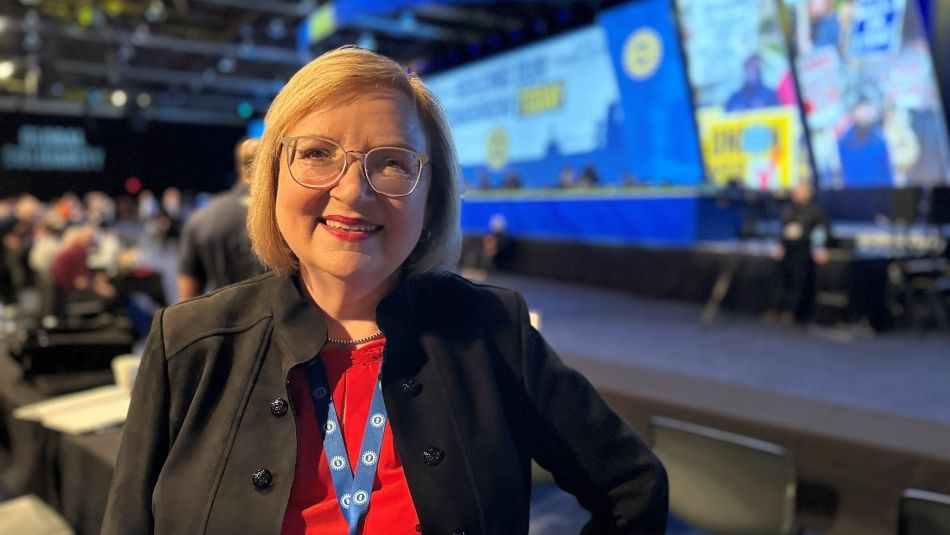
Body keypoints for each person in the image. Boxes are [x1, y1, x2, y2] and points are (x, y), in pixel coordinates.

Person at [102, 46, 667, 534]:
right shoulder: (189, 342)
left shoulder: (492, 332)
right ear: (273, 177)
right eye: (318, 154)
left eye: (392, 164)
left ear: (431, 198)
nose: (352, 191)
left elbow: (633, 489)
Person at [177, 138, 266, 300]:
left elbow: (187, 297)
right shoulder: (288, 217)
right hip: (279, 321)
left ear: (239, 165)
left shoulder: (202, 218)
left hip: (222, 320)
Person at [772, 182, 831, 323]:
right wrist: (780, 245)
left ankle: (797, 312)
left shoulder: (816, 211)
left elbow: (820, 231)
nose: (796, 194)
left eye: (800, 192)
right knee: (782, 280)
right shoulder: (789, 210)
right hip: (788, 251)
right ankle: (781, 309)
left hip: (804, 251)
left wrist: (819, 248)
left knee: (800, 281)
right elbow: (783, 230)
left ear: (808, 194)